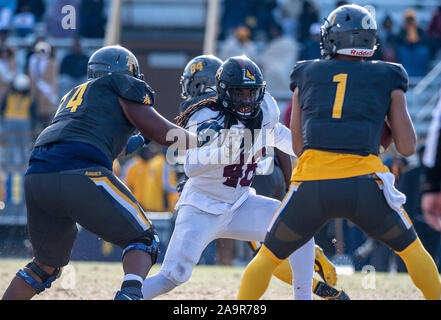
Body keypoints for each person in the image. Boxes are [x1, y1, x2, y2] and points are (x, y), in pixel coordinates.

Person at [237, 4, 441, 300]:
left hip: (311, 186)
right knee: (413, 252)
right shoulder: (389, 75)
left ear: (331, 39)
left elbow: (297, 147)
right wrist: (380, 129)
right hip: (365, 184)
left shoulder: (305, 73)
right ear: (369, 40)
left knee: (267, 258)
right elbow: (408, 147)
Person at [1, 45, 200, 300]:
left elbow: (106, 145)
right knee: (144, 238)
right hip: (79, 173)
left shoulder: (75, 95)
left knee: (44, 266)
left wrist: (144, 139)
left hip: (38, 176)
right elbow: (164, 132)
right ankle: (129, 295)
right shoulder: (121, 85)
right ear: (124, 74)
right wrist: (202, 140)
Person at [142, 55, 330, 301]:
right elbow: (191, 167)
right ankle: (127, 297)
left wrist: (315, 151)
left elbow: (279, 135)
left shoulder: (265, 109)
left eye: (250, 93)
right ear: (223, 92)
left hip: (241, 203)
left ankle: (303, 297)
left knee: (300, 225)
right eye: (239, 93)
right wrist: (224, 150)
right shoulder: (206, 117)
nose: (246, 99)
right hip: (202, 206)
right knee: (173, 275)